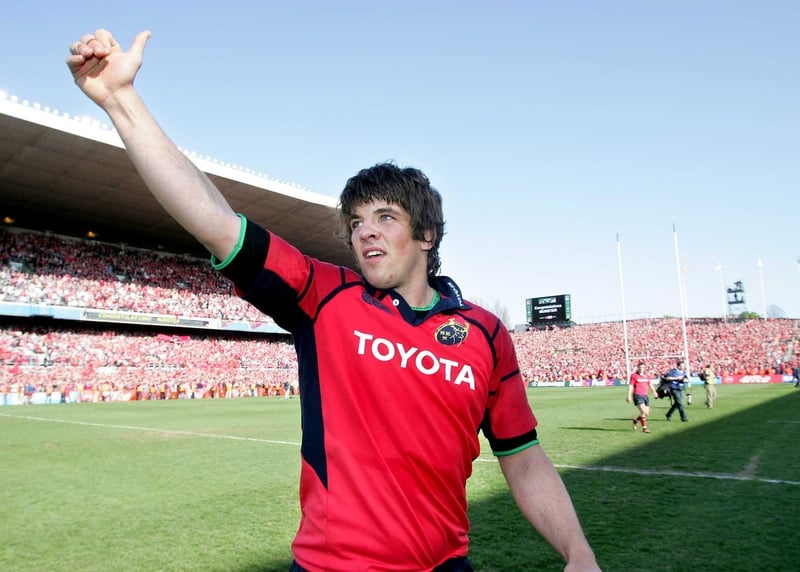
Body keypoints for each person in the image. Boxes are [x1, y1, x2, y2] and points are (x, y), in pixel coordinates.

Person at [67, 29, 601, 572]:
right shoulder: (325, 298)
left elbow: (523, 456)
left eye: (385, 218)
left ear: (427, 236)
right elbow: (215, 222)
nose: (365, 233)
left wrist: (578, 552)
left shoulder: (485, 333)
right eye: (356, 222)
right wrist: (120, 100)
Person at [626, 362, 657, 433]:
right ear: (638, 368)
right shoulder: (634, 376)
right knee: (643, 412)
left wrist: (654, 392)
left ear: (644, 368)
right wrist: (629, 395)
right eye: (640, 367)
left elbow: (650, 384)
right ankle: (644, 428)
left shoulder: (647, 376)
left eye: (643, 367)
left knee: (646, 414)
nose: (641, 369)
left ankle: (636, 420)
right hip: (637, 395)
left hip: (645, 396)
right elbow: (631, 386)